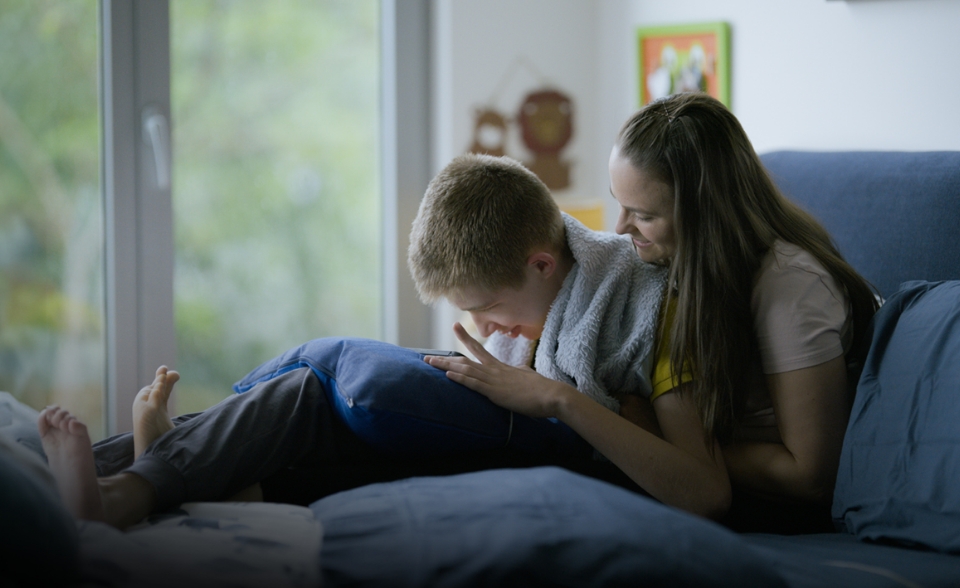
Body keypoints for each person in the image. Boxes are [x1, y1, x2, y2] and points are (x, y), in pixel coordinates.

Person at [35, 153, 670, 529]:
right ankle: (124, 470)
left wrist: (551, 394)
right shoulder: (550, 297)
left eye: (488, 310)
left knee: (315, 393)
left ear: (541, 265)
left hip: (542, 446)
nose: (486, 329)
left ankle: (123, 487)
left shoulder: (623, 310)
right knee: (319, 439)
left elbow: (637, 445)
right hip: (502, 432)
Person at [424, 92, 879, 529]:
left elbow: (812, 477)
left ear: (704, 214)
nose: (621, 228)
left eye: (642, 214)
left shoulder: (791, 289)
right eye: (619, 204)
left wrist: (648, 434)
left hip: (782, 505)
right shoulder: (666, 270)